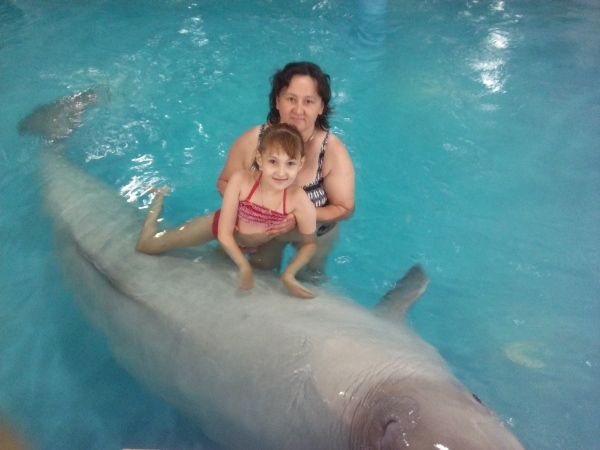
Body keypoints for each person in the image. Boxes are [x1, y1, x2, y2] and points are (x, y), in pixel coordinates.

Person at [136, 124, 318, 299]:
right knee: (147, 246)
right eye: (273, 161)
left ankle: (230, 253)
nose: (281, 172)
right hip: (218, 228)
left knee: (254, 269)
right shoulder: (241, 181)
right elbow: (224, 233)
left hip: (260, 243)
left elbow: (310, 243)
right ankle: (158, 198)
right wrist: (243, 265)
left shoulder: (299, 200)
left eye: (290, 163)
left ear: (300, 163)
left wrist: (289, 274)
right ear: (259, 159)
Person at [217, 61, 355, 275]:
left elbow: (344, 208)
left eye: (308, 101)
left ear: (321, 107)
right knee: (261, 269)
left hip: (317, 231)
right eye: (291, 99)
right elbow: (224, 181)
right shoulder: (254, 141)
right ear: (277, 101)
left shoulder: (332, 151)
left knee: (312, 276)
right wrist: (247, 210)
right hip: (268, 231)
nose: (298, 110)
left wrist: (301, 215)